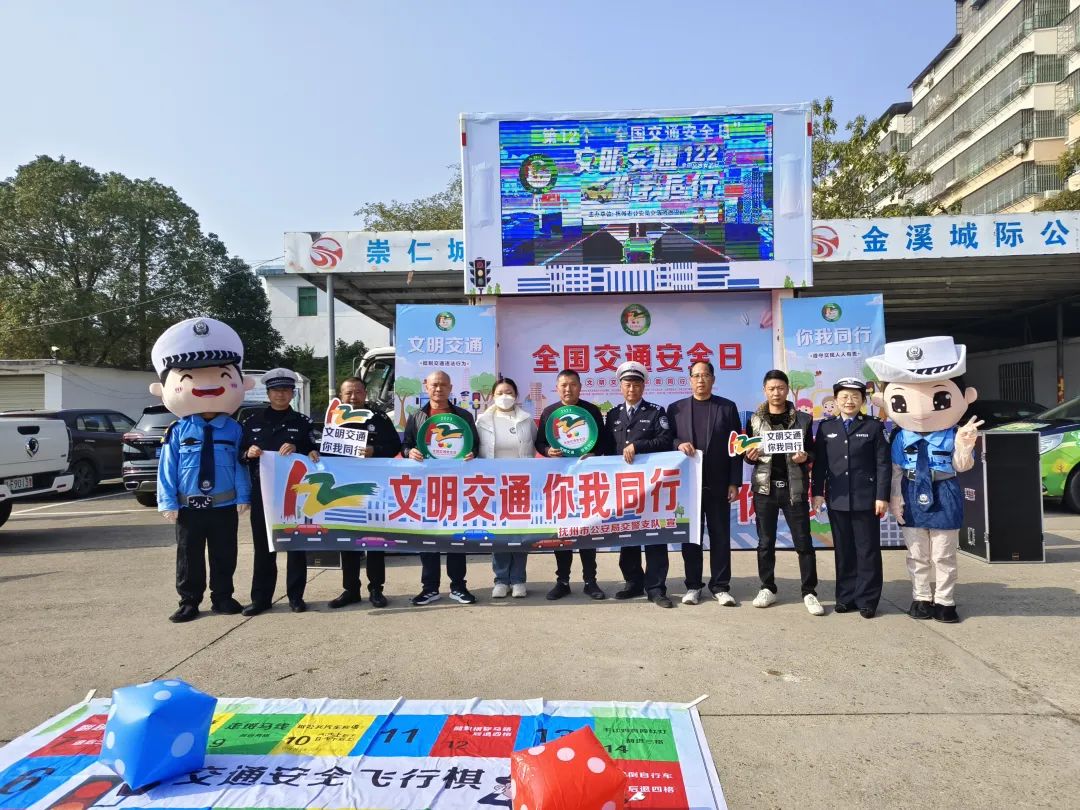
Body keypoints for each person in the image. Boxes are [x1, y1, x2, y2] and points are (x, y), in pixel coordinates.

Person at [867, 337, 981, 623]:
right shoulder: (899, 436)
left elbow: (962, 466)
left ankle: (945, 600)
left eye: (940, 398)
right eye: (901, 400)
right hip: (910, 490)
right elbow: (895, 469)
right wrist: (895, 498)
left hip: (945, 491)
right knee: (917, 552)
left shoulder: (954, 433)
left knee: (943, 553)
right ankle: (921, 597)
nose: (918, 411)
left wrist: (965, 446)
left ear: (966, 397)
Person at [150, 317, 254, 623]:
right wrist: (167, 501)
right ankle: (189, 601)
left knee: (225, 553)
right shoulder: (178, 430)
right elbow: (167, 468)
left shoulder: (234, 429)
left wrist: (243, 496)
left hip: (223, 505)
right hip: (188, 506)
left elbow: (240, 465)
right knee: (188, 555)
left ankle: (222, 596)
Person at [239, 368, 320, 616]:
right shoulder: (251, 422)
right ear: (268, 393)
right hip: (263, 493)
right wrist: (248, 453)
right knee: (264, 546)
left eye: (286, 390)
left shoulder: (303, 422)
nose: (281, 394)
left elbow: (315, 453)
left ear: (292, 393)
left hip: (295, 493)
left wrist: (299, 449)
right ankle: (261, 599)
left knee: (296, 545)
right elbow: (239, 455)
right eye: (276, 390)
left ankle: (296, 597)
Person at [744, 369, 823, 616]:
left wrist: (805, 457)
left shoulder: (803, 419)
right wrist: (749, 456)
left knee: (803, 542)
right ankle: (767, 587)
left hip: (794, 488)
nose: (776, 393)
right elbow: (747, 454)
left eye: (780, 388)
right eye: (771, 389)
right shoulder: (754, 420)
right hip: (764, 489)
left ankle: (809, 592)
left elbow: (813, 452)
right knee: (765, 542)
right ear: (764, 391)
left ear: (787, 389)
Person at [811, 378, 891, 619]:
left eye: (855, 396)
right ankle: (845, 598)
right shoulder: (826, 427)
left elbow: (883, 464)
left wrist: (882, 496)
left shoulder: (874, 426)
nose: (849, 401)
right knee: (843, 550)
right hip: (837, 498)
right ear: (836, 400)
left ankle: (867, 600)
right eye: (844, 396)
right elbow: (820, 465)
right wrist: (817, 493)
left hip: (867, 499)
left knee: (867, 551)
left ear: (863, 400)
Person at [322, 377, 403, 610]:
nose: (353, 396)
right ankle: (351, 589)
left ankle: (376, 589)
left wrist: (374, 450)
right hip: (343, 488)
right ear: (341, 395)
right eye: (348, 393)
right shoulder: (334, 420)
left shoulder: (378, 418)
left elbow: (394, 447)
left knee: (374, 540)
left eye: (357, 392)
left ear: (365, 393)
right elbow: (323, 450)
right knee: (347, 539)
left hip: (374, 488)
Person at [401, 370, 480, 606]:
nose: (439, 389)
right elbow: (405, 446)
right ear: (426, 386)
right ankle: (430, 588)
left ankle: (458, 586)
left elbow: (476, 446)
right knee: (429, 537)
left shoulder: (463, 416)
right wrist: (410, 452)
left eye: (443, 385)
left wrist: (472, 453)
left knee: (456, 535)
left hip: (457, 487)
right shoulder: (417, 416)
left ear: (450, 388)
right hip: (426, 487)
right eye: (434, 385)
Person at [668, 361, 743, 606]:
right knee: (691, 538)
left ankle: (720, 586)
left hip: (719, 484)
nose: (701, 380)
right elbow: (667, 439)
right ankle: (693, 586)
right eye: (696, 376)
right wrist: (678, 443)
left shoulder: (727, 408)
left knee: (721, 537)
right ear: (689, 379)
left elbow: (736, 448)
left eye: (705, 375)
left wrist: (734, 482)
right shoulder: (676, 409)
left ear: (713, 379)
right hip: (688, 487)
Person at [535, 369, 612, 601]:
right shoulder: (549, 412)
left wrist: (595, 453)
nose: (568, 389)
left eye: (572, 385)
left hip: (586, 480)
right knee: (563, 532)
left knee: (587, 530)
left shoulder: (591, 411)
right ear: (557, 388)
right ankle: (563, 581)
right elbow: (539, 442)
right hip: (560, 481)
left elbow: (604, 441)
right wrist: (547, 451)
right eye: (563, 385)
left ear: (580, 386)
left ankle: (591, 581)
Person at [607, 361, 675, 608]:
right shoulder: (613, 414)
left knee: (654, 535)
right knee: (628, 535)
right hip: (624, 486)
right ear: (620, 386)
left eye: (636, 384)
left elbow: (666, 440)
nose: (632, 388)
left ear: (644, 386)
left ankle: (656, 588)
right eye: (627, 384)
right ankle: (633, 582)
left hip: (652, 485)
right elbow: (607, 447)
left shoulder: (656, 412)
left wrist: (638, 446)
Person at [477, 377, 537, 598]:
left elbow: (535, 444)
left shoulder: (526, 420)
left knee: (519, 532)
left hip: (521, 484)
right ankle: (501, 580)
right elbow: (474, 448)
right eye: (500, 392)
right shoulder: (482, 421)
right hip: (493, 486)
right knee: (499, 532)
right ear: (493, 396)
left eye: (509, 392)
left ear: (516, 395)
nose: (505, 396)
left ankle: (519, 579)